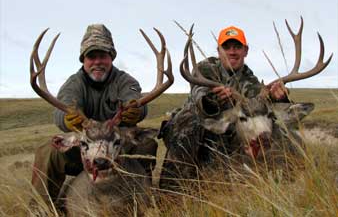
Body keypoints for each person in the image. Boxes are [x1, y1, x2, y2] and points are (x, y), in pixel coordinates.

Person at [31, 24, 149, 205]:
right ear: (83, 60)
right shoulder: (74, 83)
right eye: (91, 57)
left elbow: (135, 100)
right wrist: (67, 119)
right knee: (48, 151)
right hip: (84, 148)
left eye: (103, 56)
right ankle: (40, 209)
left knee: (147, 145)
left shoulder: (125, 81)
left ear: (111, 58)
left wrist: (136, 110)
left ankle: (141, 200)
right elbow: (60, 111)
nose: (97, 62)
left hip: (117, 147)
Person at [160, 26, 290, 186]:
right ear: (219, 50)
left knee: (273, 130)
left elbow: (259, 107)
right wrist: (212, 100)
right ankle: (171, 190)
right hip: (192, 127)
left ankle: (283, 183)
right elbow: (198, 95)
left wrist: (279, 98)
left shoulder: (251, 81)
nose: (232, 52)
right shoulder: (205, 69)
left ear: (245, 51)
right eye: (226, 47)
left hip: (223, 132)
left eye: (237, 47)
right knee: (192, 123)